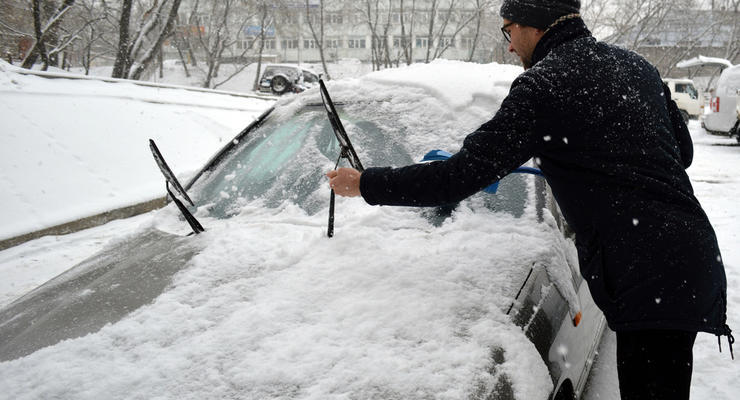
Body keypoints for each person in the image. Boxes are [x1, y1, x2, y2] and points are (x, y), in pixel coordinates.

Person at [326, 0, 733, 399]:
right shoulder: (637, 67)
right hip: (686, 256)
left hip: (643, 271)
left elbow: (458, 176)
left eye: (508, 30)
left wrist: (365, 184)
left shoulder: (544, 85)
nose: (507, 44)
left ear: (534, 24)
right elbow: (684, 153)